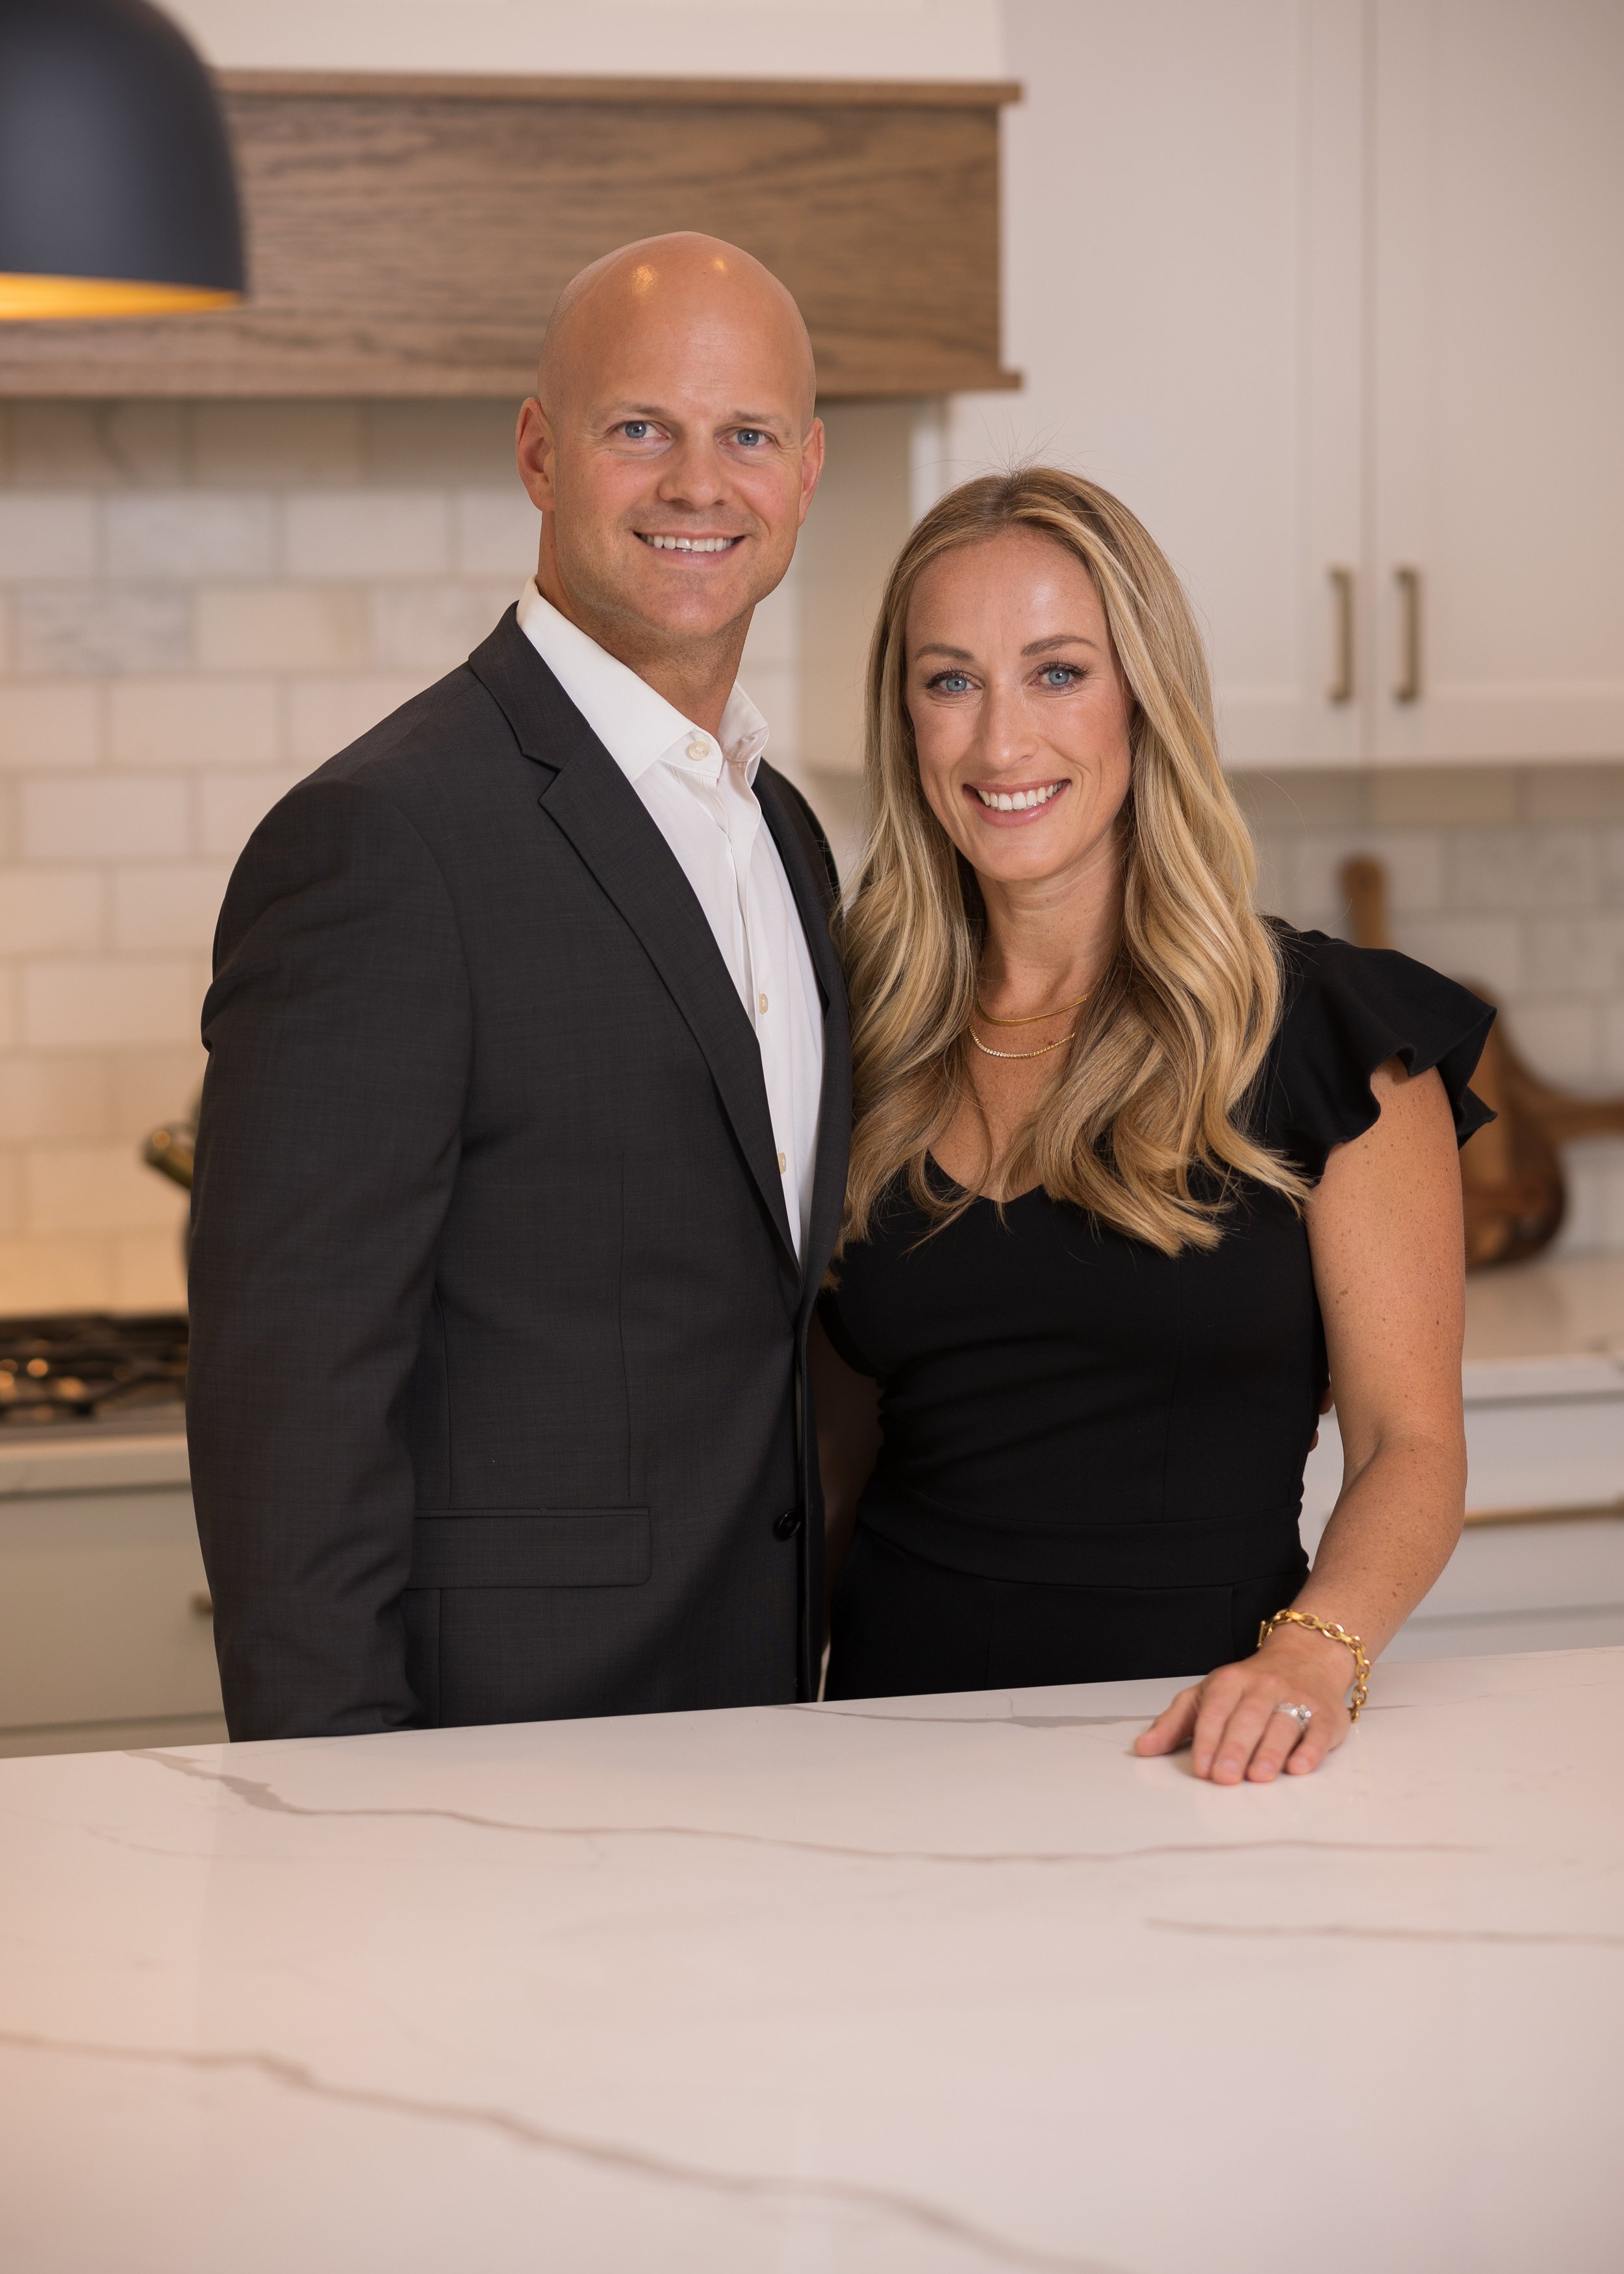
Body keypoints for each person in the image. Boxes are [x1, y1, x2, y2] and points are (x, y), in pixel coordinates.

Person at [189, 234, 850, 1739]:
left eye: (744, 434)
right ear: (539, 454)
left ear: (805, 468)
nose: (700, 484)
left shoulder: (784, 834)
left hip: (765, 1738)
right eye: (641, 429)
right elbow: (287, 1407)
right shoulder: (384, 840)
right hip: (493, 1759)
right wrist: (335, 1815)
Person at [811, 467, 1490, 1782]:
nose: (1000, 743)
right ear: (904, 722)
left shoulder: (1327, 1039)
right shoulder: (863, 1041)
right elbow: (831, 1464)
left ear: (1143, 699)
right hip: (886, 1754)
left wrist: (1316, 1649)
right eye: (948, 681)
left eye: (1056, 672)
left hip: (1193, 1756)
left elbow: (1412, 1446)